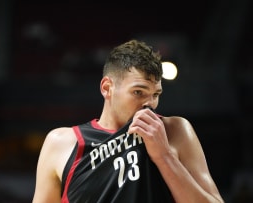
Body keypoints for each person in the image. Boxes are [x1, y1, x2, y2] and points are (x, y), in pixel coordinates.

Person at [32, 39, 224, 203]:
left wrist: (164, 156)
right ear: (107, 88)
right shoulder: (62, 142)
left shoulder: (174, 130)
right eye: (138, 92)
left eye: (155, 94)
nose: (150, 104)